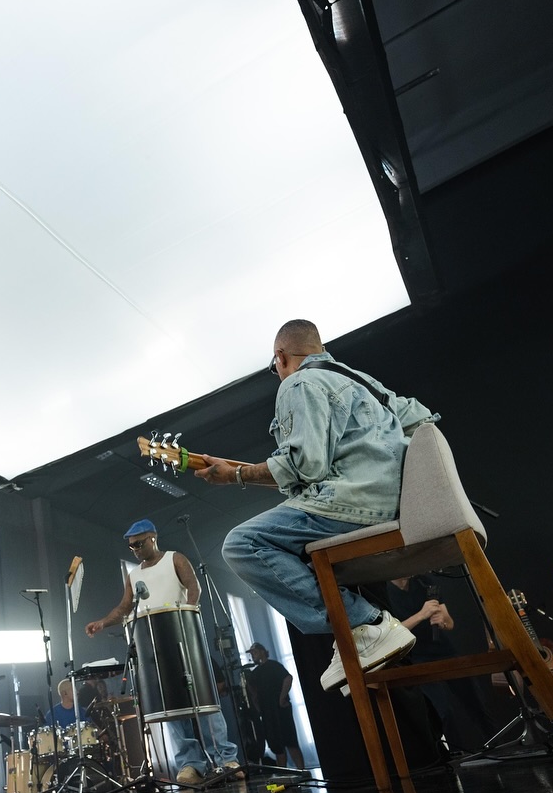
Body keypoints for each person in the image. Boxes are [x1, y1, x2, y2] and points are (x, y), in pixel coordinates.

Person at [195, 320, 436, 695]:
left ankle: (366, 624)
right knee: (293, 551)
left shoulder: (299, 383)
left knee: (242, 544)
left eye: (275, 367)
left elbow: (305, 466)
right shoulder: (362, 381)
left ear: (281, 357)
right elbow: (422, 420)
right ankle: (355, 637)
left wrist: (236, 476)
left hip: (352, 506)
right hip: (398, 507)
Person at [85, 519, 243, 784]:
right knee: (170, 705)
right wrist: (103, 622)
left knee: (202, 699)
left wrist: (187, 615)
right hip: (154, 646)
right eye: (131, 546)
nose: (135, 550)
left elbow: (194, 587)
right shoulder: (134, 575)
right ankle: (190, 764)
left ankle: (225, 758)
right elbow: (124, 607)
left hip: (183, 637)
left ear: (153, 537)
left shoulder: (174, 559)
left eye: (139, 544)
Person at [381, 576, 496, 755]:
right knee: (444, 711)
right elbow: (390, 633)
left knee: (476, 704)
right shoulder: (384, 591)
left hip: (444, 650)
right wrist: (421, 615)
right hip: (417, 657)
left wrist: (442, 621)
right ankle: (456, 756)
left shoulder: (425, 582)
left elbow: (450, 623)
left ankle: (498, 746)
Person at [242, 643, 305, 769]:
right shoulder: (255, 673)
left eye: (255, 652)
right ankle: (284, 773)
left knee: (290, 741)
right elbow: (251, 689)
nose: (253, 655)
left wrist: (282, 698)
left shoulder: (274, 666)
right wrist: (258, 707)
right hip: (267, 712)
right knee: (276, 745)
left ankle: (302, 771)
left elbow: (288, 678)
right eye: (251, 653)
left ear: (262, 651)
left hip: (281, 710)